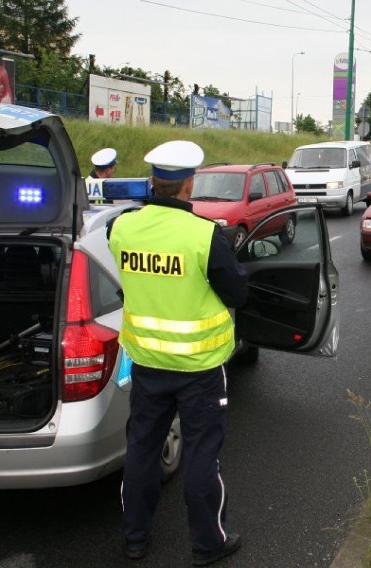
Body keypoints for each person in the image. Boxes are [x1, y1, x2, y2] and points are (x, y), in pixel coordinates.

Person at [108, 140, 248, 565]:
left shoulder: (122, 228)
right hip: (200, 367)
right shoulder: (204, 235)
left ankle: (134, 537)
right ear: (190, 184)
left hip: (147, 363)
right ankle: (208, 543)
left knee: (142, 451)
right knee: (202, 454)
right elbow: (237, 292)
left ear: (154, 181)